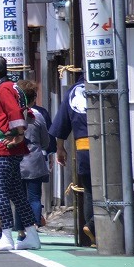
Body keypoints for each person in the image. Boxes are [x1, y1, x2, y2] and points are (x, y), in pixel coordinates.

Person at [0, 56, 40, 251]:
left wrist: (20, 134)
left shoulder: (3, 88)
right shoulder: (11, 86)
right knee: (16, 192)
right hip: (9, 144)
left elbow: (15, 111)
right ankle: (31, 235)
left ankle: (7, 235)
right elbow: (24, 111)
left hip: (5, 146)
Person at [50, 74, 95, 245]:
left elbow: (61, 123)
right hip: (106, 146)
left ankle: (93, 230)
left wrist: (60, 148)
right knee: (110, 187)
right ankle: (94, 226)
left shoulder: (71, 93)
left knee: (89, 189)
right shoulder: (103, 87)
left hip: (82, 147)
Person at [17, 80, 51, 230]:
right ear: (33, 98)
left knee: (19, 197)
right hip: (34, 160)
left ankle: (19, 226)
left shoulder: (12, 114)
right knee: (34, 197)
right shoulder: (38, 116)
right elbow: (46, 140)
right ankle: (35, 223)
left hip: (16, 160)